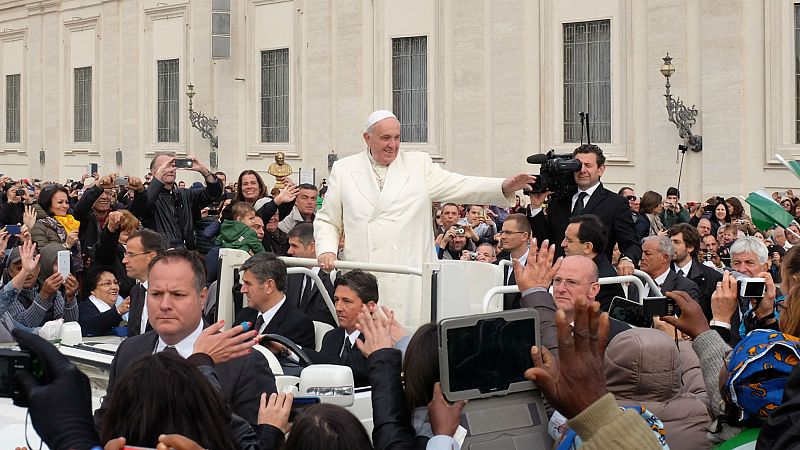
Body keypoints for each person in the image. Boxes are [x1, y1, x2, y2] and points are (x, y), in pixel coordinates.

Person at [315, 109, 533, 326]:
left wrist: (503, 186)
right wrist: (326, 249)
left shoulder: (418, 165)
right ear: (367, 138)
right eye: (385, 138)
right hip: (363, 277)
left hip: (408, 280)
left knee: (406, 343)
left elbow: (460, 185)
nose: (393, 145)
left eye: (397, 138)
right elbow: (327, 220)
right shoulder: (344, 169)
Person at [96, 249, 275, 427]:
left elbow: (252, 442)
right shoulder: (128, 351)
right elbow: (106, 423)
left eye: (178, 295)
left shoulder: (245, 363)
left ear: (202, 297)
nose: (165, 305)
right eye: (156, 294)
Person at [528, 144, 641, 277]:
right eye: (578, 165)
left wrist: (626, 259)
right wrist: (536, 207)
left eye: (588, 165)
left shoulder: (615, 203)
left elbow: (631, 243)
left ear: (601, 169)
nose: (582, 170)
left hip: (594, 280)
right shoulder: (559, 201)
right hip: (559, 278)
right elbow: (545, 241)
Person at [513, 241, 632, 356]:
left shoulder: (618, 336)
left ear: (594, 289)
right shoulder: (532, 329)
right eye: (557, 280)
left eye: (571, 282)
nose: (561, 289)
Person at [603, 328, 712, 450]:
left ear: (610, 365)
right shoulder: (701, 412)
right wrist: (679, 343)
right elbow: (699, 380)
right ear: (675, 367)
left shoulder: (591, 420)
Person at [305, 269, 378, 387]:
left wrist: (290, 350)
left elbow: (353, 370)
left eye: (346, 301)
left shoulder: (378, 339)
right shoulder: (331, 337)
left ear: (370, 306)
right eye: (336, 300)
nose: (338, 307)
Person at [133, 152, 222, 249]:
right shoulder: (148, 197)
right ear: (154, 172)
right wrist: (157, 179)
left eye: (173, 166)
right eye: (165, 166)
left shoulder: (185, 194)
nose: (170, 170)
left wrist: (203, 170)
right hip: (163, 254)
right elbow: (144, 206)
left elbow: (214, 193)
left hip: (188, 253)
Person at [234, 252, 315, 349]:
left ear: (269, 286)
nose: (243, 290)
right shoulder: (244, 315)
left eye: (248, 284)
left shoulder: (299, 324)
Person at [6, 242, 79, 328]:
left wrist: (70, 299)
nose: (27, 273)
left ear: (38, 268)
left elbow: (69, 327)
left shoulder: (53, 292)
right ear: (10, 272)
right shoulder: (6, 295)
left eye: (31, 267)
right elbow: (22, 326)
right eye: (19, 268)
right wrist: (43, 295)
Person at [561, 214, 625, 311]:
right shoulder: (591, 269)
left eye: (569, 240)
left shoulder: (604, 282)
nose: (563, 244)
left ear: (588, 247)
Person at [668, 223, 723, 320]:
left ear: (690, 247)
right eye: (670, 242)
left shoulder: (713, 278)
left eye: (676, 242)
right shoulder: (662, 273)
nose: (671, 247)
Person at [285, 223, 335, 325]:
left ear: (312, 247)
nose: (289, 251)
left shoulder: (334, 276)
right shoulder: (290, 274)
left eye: (294, 246)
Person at [123, 229, 167, 337]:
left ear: (152, 256)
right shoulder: (136, 291)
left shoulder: (171, 291)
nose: (124, 260)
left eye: (131, 255)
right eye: (125, 254)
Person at [632, 235, 700, 303]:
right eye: (641, 253)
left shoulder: (685, 287)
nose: (642, 257)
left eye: (648, 254)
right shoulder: (634, 282)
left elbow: (690, 313)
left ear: (665, 258)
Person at [30, 184, 83, 272]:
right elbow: (43, 257)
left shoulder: (70, 221)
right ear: (48, 204)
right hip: (52, 277)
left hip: (72, 274)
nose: (65, 206)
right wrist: (66, 245)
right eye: (60, 202)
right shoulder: (39, 226)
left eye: (66, 202)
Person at [93, 209, 140, 298]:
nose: (132, 238)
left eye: (134, 233)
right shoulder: (109, 250)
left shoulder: (140, 249)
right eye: (127, 234)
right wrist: (111, 230)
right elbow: (106, 246)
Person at [78, 266, 130, 336]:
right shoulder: (84, 308)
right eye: (107, 284)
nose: (114, 287)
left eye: (115, 282)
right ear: (93, 290)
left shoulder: (121, 303)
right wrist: (118, 311)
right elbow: (91, 325)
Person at [496, 213, 531, 309]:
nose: (502, 236)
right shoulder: (496, 265)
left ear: (524, 236)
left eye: (508, 232)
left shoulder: (538, 266)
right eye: (502, 232)